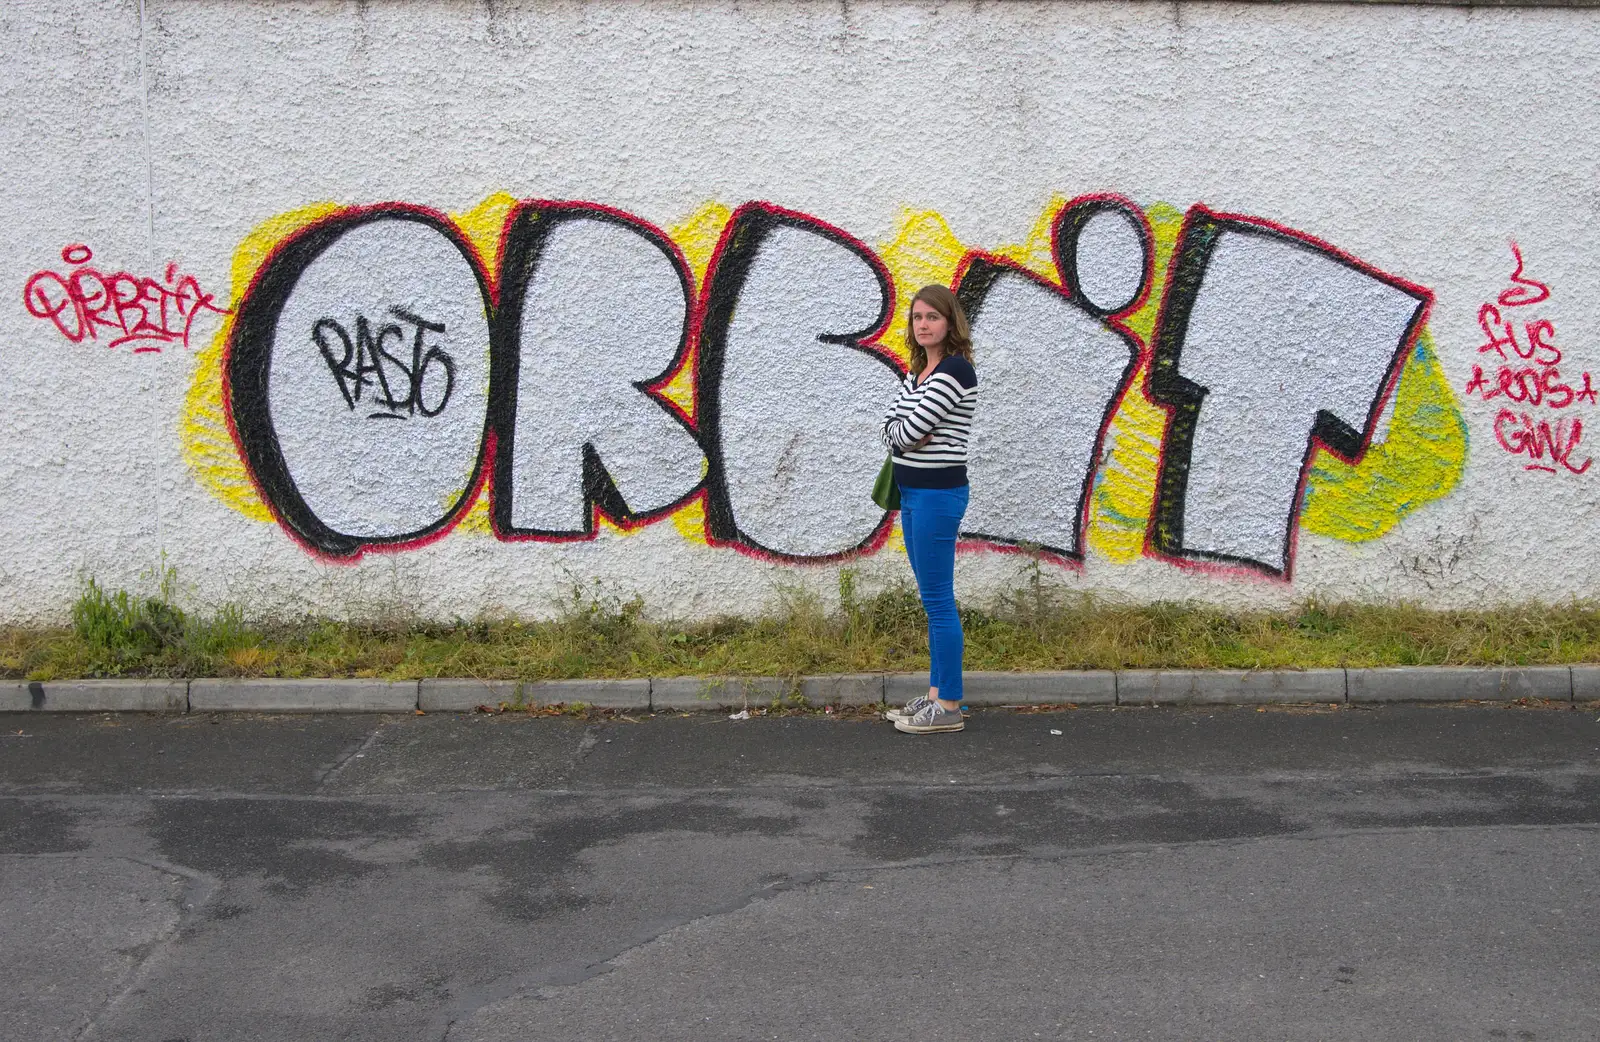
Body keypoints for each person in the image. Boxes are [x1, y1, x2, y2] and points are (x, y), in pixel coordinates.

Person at [879, 285, 978, 735]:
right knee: (930, 598)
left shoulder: (955, 371)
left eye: (932, 317)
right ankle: (937, 694)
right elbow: (891, 431)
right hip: (913, 493)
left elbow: (908, 429)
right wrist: (906, 433)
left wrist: (907, 432)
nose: (923, 324)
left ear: (949, 322)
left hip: (939, 496)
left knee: (939, 600)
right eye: (917, 317)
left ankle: (951, 704)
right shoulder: (919, 372)